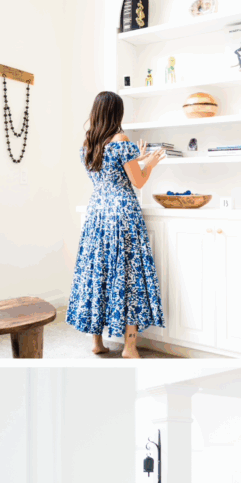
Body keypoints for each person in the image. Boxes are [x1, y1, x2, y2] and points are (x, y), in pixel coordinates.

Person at [67, 91, 165, 358]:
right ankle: (129, 347)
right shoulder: (121, 139)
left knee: (97, 273)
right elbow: (138, 182)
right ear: (116, 113)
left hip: (97, 211)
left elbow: (111, 169)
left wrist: (140, 159)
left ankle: (97, 342)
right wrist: (152, 163)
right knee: (128, 274)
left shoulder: (88, 143)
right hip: (122, 211)